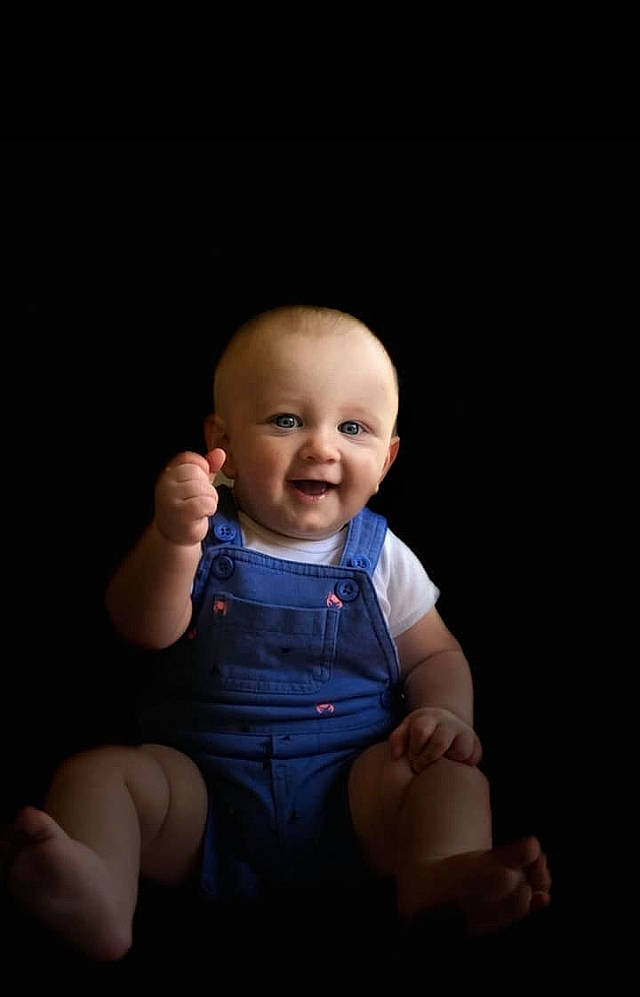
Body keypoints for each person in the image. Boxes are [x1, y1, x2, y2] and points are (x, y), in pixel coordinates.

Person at [4, 304, 551, 961]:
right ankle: (98, 894)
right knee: (99, 775)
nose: (321, 446)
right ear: (224, 441)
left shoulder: (382, 556)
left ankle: (437, 880)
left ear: (386, 460)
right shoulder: (201, 533)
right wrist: (172, 540)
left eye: (352, 427)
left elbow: (435, 654)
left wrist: (445, 714)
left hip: (355, 796)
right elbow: (141, 627)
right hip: (203, 795)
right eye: (287, 420)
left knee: (453, 779)